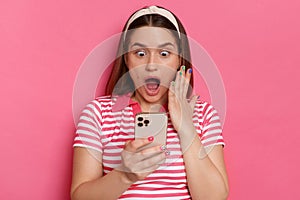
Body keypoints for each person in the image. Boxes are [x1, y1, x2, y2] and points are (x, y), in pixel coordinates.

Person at [71, 5, 229, 200]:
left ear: (179, 60)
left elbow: (214, 198)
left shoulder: (204, 115)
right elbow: (80, 197)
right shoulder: (97, 114)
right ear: (126, 59)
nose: (151, 65)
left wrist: (186, 126)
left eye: (164, 54)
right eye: (140, 53)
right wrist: (125, 174)